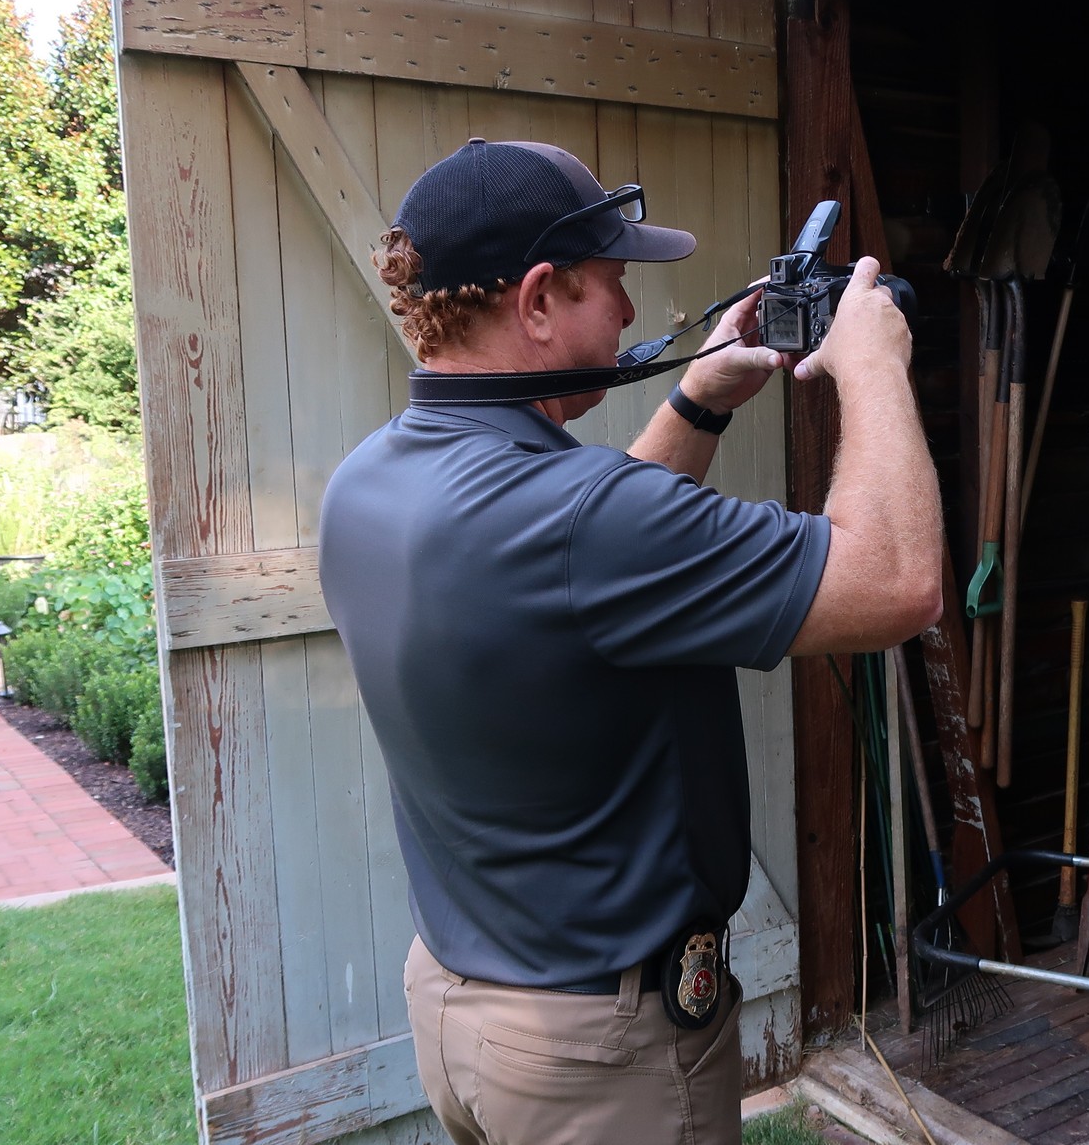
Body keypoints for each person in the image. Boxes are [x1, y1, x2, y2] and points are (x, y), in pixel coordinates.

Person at [318, 138, 943, 1145]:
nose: (627, 312)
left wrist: (700, 398)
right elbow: (898, 584)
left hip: (461, 1007)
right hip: (600, 1054)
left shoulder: (368, 483)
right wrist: (873, 365)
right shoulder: (581, 517)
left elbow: (582, 568)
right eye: (609, 284)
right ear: (534, 301)